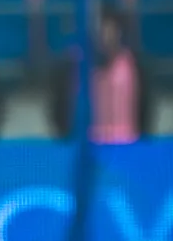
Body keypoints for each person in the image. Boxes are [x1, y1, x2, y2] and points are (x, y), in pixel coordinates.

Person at [51, 8, 151, 142]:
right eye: (100, 31)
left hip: (127, 144)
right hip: (87, 145)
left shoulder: (133, 66)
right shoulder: (73, 65)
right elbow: (60, 108)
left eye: (110, 31)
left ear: (119, 33)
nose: (105, 37)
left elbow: (145, 109)